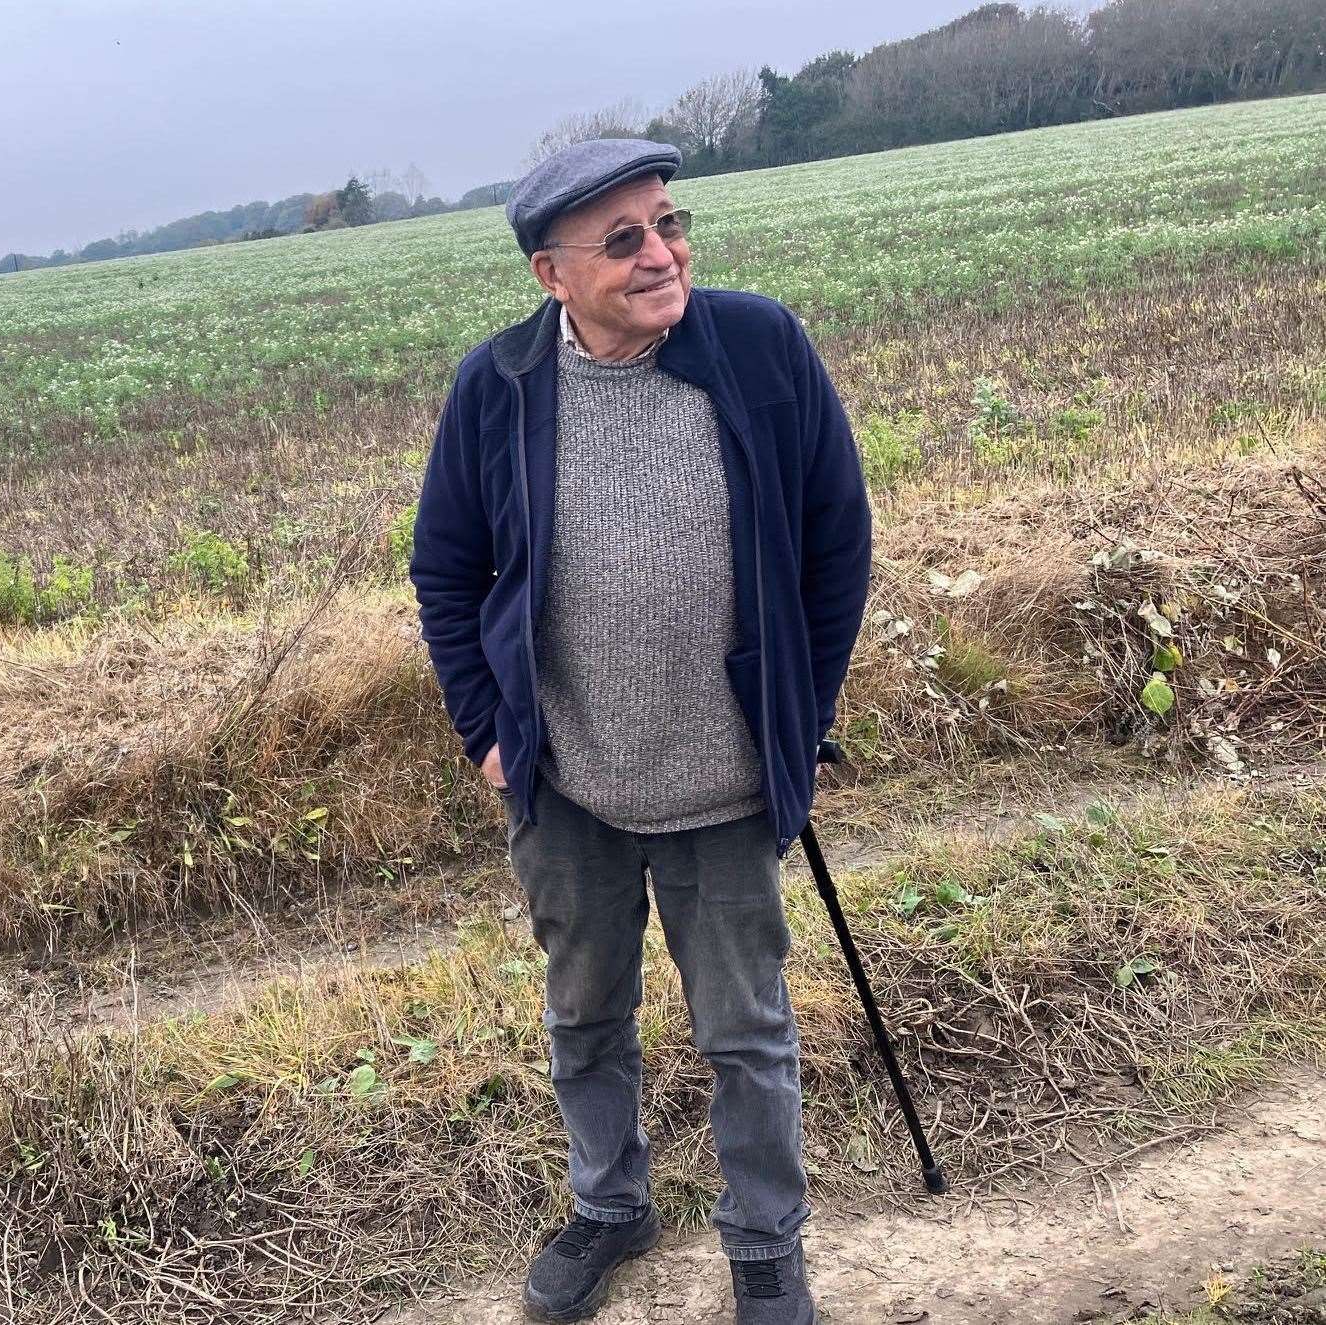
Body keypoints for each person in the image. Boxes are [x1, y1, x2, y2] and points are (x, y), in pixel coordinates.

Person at [408, 138, 872, 1324]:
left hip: (722, 785)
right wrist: (487, 732)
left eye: (668, 223)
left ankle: (765, 1244)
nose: (661, 255)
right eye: (622, 241)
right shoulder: (499, 385)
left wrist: (796, 719)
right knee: (582, 1016)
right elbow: (446, 569)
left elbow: (835, 544)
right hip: (567, 781)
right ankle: (611, 1205)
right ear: (549, 274)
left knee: (745, 1031)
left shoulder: (757, 346)